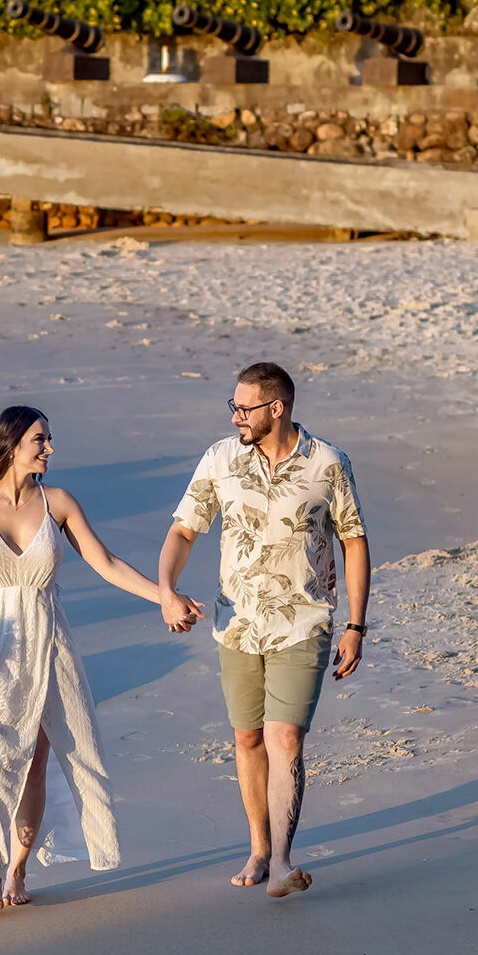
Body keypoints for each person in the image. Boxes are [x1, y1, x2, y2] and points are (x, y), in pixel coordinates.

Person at [0, 405, 202, 912]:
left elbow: (106, 563)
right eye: (41, 439)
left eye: (49, 439)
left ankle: (17, 869)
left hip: (47, 639)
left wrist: (164, 597)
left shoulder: (57, 503)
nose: (50, 448)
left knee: (37, 759)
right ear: (13, 443)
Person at [157, 361, 370, 899]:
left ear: (276, 408)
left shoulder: (328, 463)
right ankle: (258, 847)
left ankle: (280, 862)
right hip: (237, 624)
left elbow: (353, 540)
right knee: (248, 737)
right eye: (233, 406)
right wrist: (166, 589)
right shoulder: (220, 459)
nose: (235, 417)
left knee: (285, 737)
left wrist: (356, 625)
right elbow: (183, 530)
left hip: (304, 621)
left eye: (243, 408)